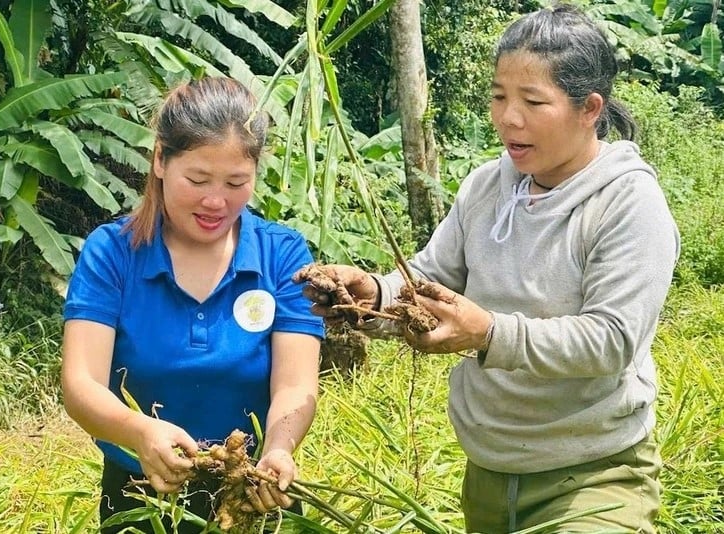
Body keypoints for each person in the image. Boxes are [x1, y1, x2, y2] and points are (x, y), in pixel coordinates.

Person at [298, 4, 679, 533]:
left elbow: (613, 339)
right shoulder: (486, 186)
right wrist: (370, 295)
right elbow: (429, 281)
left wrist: (489, 333)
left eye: (533, 101)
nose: (508, 118)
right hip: (489, 473)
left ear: (589, 109)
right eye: (500, 96)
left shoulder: (627, 203)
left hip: (595, 477)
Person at [61, 76, 324, 533]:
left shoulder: (282, 255)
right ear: (160, 159)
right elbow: (81, 384)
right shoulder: (113, 253)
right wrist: (140, 433)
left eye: (237, 182)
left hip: (254, 491)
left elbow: (296, 384)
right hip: (141, 491)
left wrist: (278, 447)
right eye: (198, 179)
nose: (216, 201)